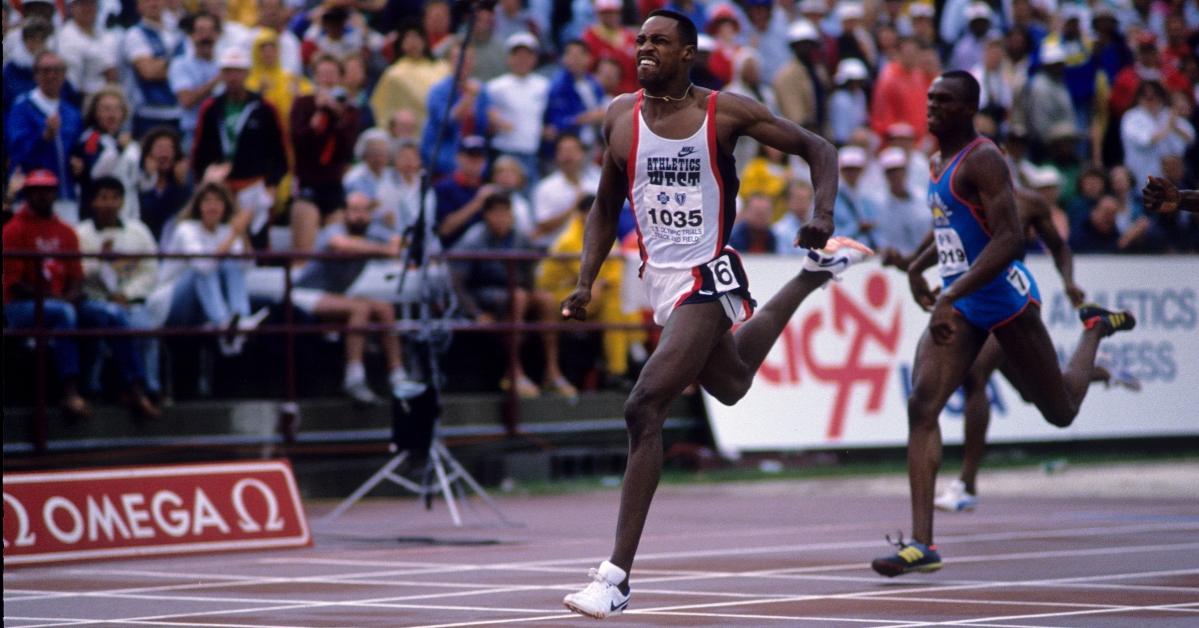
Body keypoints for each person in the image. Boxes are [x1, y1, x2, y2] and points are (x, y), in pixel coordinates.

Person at [558, 10, 870, 619]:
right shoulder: (620, 117)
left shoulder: (724, 113)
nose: (645, 48)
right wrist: (584, 281)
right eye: (641, 39)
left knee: (644, 405)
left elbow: (819, 148)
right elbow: (603, 204)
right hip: (662, 282)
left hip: (708, 272)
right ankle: (812, 278)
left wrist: (824, 216)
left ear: (688, 55)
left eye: (660, 41)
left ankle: (615, 577)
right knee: (729, 383)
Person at [870, 71, 1137, 579]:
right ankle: (921, 543)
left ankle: (1095, 329)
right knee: (921, 405)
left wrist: (950, 291)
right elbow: (949, 225)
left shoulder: (984, 159)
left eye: (943, 101)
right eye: (929, 99)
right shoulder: (935, 161)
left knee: (1059, 410)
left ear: (967, 110)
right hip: (965, 304)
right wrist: (915, 266)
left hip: (1004, 300)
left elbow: (1010, 240)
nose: (930, 107)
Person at [3, 170, 160, 420]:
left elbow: (76, 275)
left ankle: (135, 388)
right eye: (36, 192)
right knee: (63, 313)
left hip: (60, 301)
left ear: (55, 194)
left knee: (112, 313)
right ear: (28, 195)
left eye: (47, 191)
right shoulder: (13, 230)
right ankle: (71, 391)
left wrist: (71, 295)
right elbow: (12, 284)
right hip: (21, 307)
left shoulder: (65, 231)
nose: (42, 196)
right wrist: (56, 299)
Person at [292, 191, 424, 403]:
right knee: (359, 308)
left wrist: (395, 241)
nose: (360, 216)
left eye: (365, 211)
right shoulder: (333, 230)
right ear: (344, 213)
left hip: (335, 295)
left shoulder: (373, 232)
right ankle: (354, 377)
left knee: (385, 309)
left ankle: (397, 375)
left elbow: (400, 242)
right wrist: (385, 250)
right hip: (304, 293)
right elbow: (341, 244)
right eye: (354, 210)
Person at [450, 193, 569, 398]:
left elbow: (530, 270)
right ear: (486, 215)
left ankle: (552, 371)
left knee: (546, 300)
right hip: (483, 295)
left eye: (505, 212)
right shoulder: (473, 239)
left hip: (514, 292)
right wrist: (476, 313)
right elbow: (457, 282)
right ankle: (513, 372)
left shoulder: (519, 236)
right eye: (496, 213)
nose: (501, 218)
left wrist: (533, 292)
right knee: (519, 297)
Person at [75, 176, 163, 402]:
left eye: (114, 198)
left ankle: (150, 388)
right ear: (93, 202)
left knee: (145, 329)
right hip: (95, 300)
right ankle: (92, 388)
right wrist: (99, 261)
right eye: (103, 198)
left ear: (122, 202)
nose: (109, 203)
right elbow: (76, 273)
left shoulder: (138, 231)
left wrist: (128, 294)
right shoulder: (81, 234)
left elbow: (149, 270)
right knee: (101, 326)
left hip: (129, 300)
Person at [153, 181, 267, 356]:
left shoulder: (226, 230)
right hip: (172, 304)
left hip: (205, 304)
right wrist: (234, 234)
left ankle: (240, 319)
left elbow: (247, 266)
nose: (212, 206)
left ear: (225, 206)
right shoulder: (186, 229)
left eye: (218, 201)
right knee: (200, 270)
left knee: (231, 263)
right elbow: (204, 266)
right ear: (198, 206)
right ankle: (223, 325)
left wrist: (243, 235)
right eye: (207, 201)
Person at [6, 51, 83, 221]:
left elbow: (78, 147)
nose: (52, 76)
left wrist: (77, 161)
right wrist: (44, 137)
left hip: (65, 195)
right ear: (36, 75)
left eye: (57, 70)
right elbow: (17, 150)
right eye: (46, 70)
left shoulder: (71, 113)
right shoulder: (23, 108)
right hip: (32, 196)